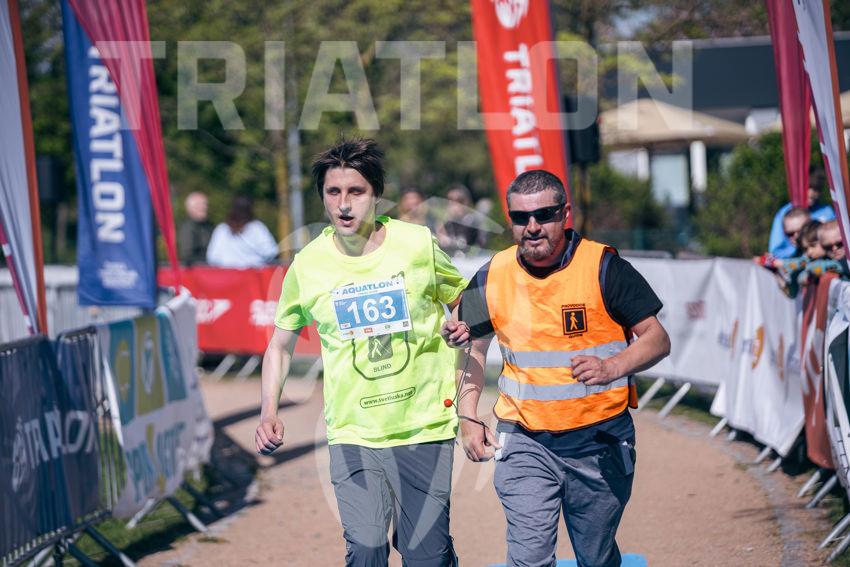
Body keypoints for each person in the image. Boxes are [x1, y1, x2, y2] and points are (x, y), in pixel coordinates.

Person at [442, 169, 670, 567]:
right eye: (520, 217)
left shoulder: (603, 267)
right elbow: (472, 348)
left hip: (599, 441)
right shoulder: (494, 273)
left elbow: (657, 338)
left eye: (544, 214)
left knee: (596, 557)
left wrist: (612, 367)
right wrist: (468, 416)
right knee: (528, 558)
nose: (532, 226)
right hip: (524, 440)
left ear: (565, 214)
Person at [256, 138, 466, 566]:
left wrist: (459, 326)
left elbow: (460, 298)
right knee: (366, 547)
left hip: (424, 424)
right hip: (354, 430)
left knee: (426, 556)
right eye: (333, 192)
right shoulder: (308, 265)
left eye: (356, 191)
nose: (344, 204)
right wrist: (268, 411)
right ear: (322, 197)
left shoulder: (416, 244)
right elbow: (279, 345)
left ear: (376, 194)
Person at [768, 170, 834, 258]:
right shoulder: (785, 212)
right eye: (808, 187)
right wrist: (800, 248)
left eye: (816, 189)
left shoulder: (827, 211)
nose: (811, 193)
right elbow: (775, 250)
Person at [206, 195, 279, 267]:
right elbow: (270, 252)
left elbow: (213, 257)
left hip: (228, 272)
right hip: (253, 273)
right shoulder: (257, 228)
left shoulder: (222, 229)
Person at [435, 184, 485, 256]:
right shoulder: (446, 223)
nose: (454, 204)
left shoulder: (474, 222)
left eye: (459, 201)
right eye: (450, 200)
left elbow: (473, 245)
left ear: (467, 202)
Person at [177, 191, 213, 265]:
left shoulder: (209, 225)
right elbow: (187, 255)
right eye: (199, 205)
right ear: (190, 208)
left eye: (205, 204)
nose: (204, 207)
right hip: (199, 268)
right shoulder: (187, 228)